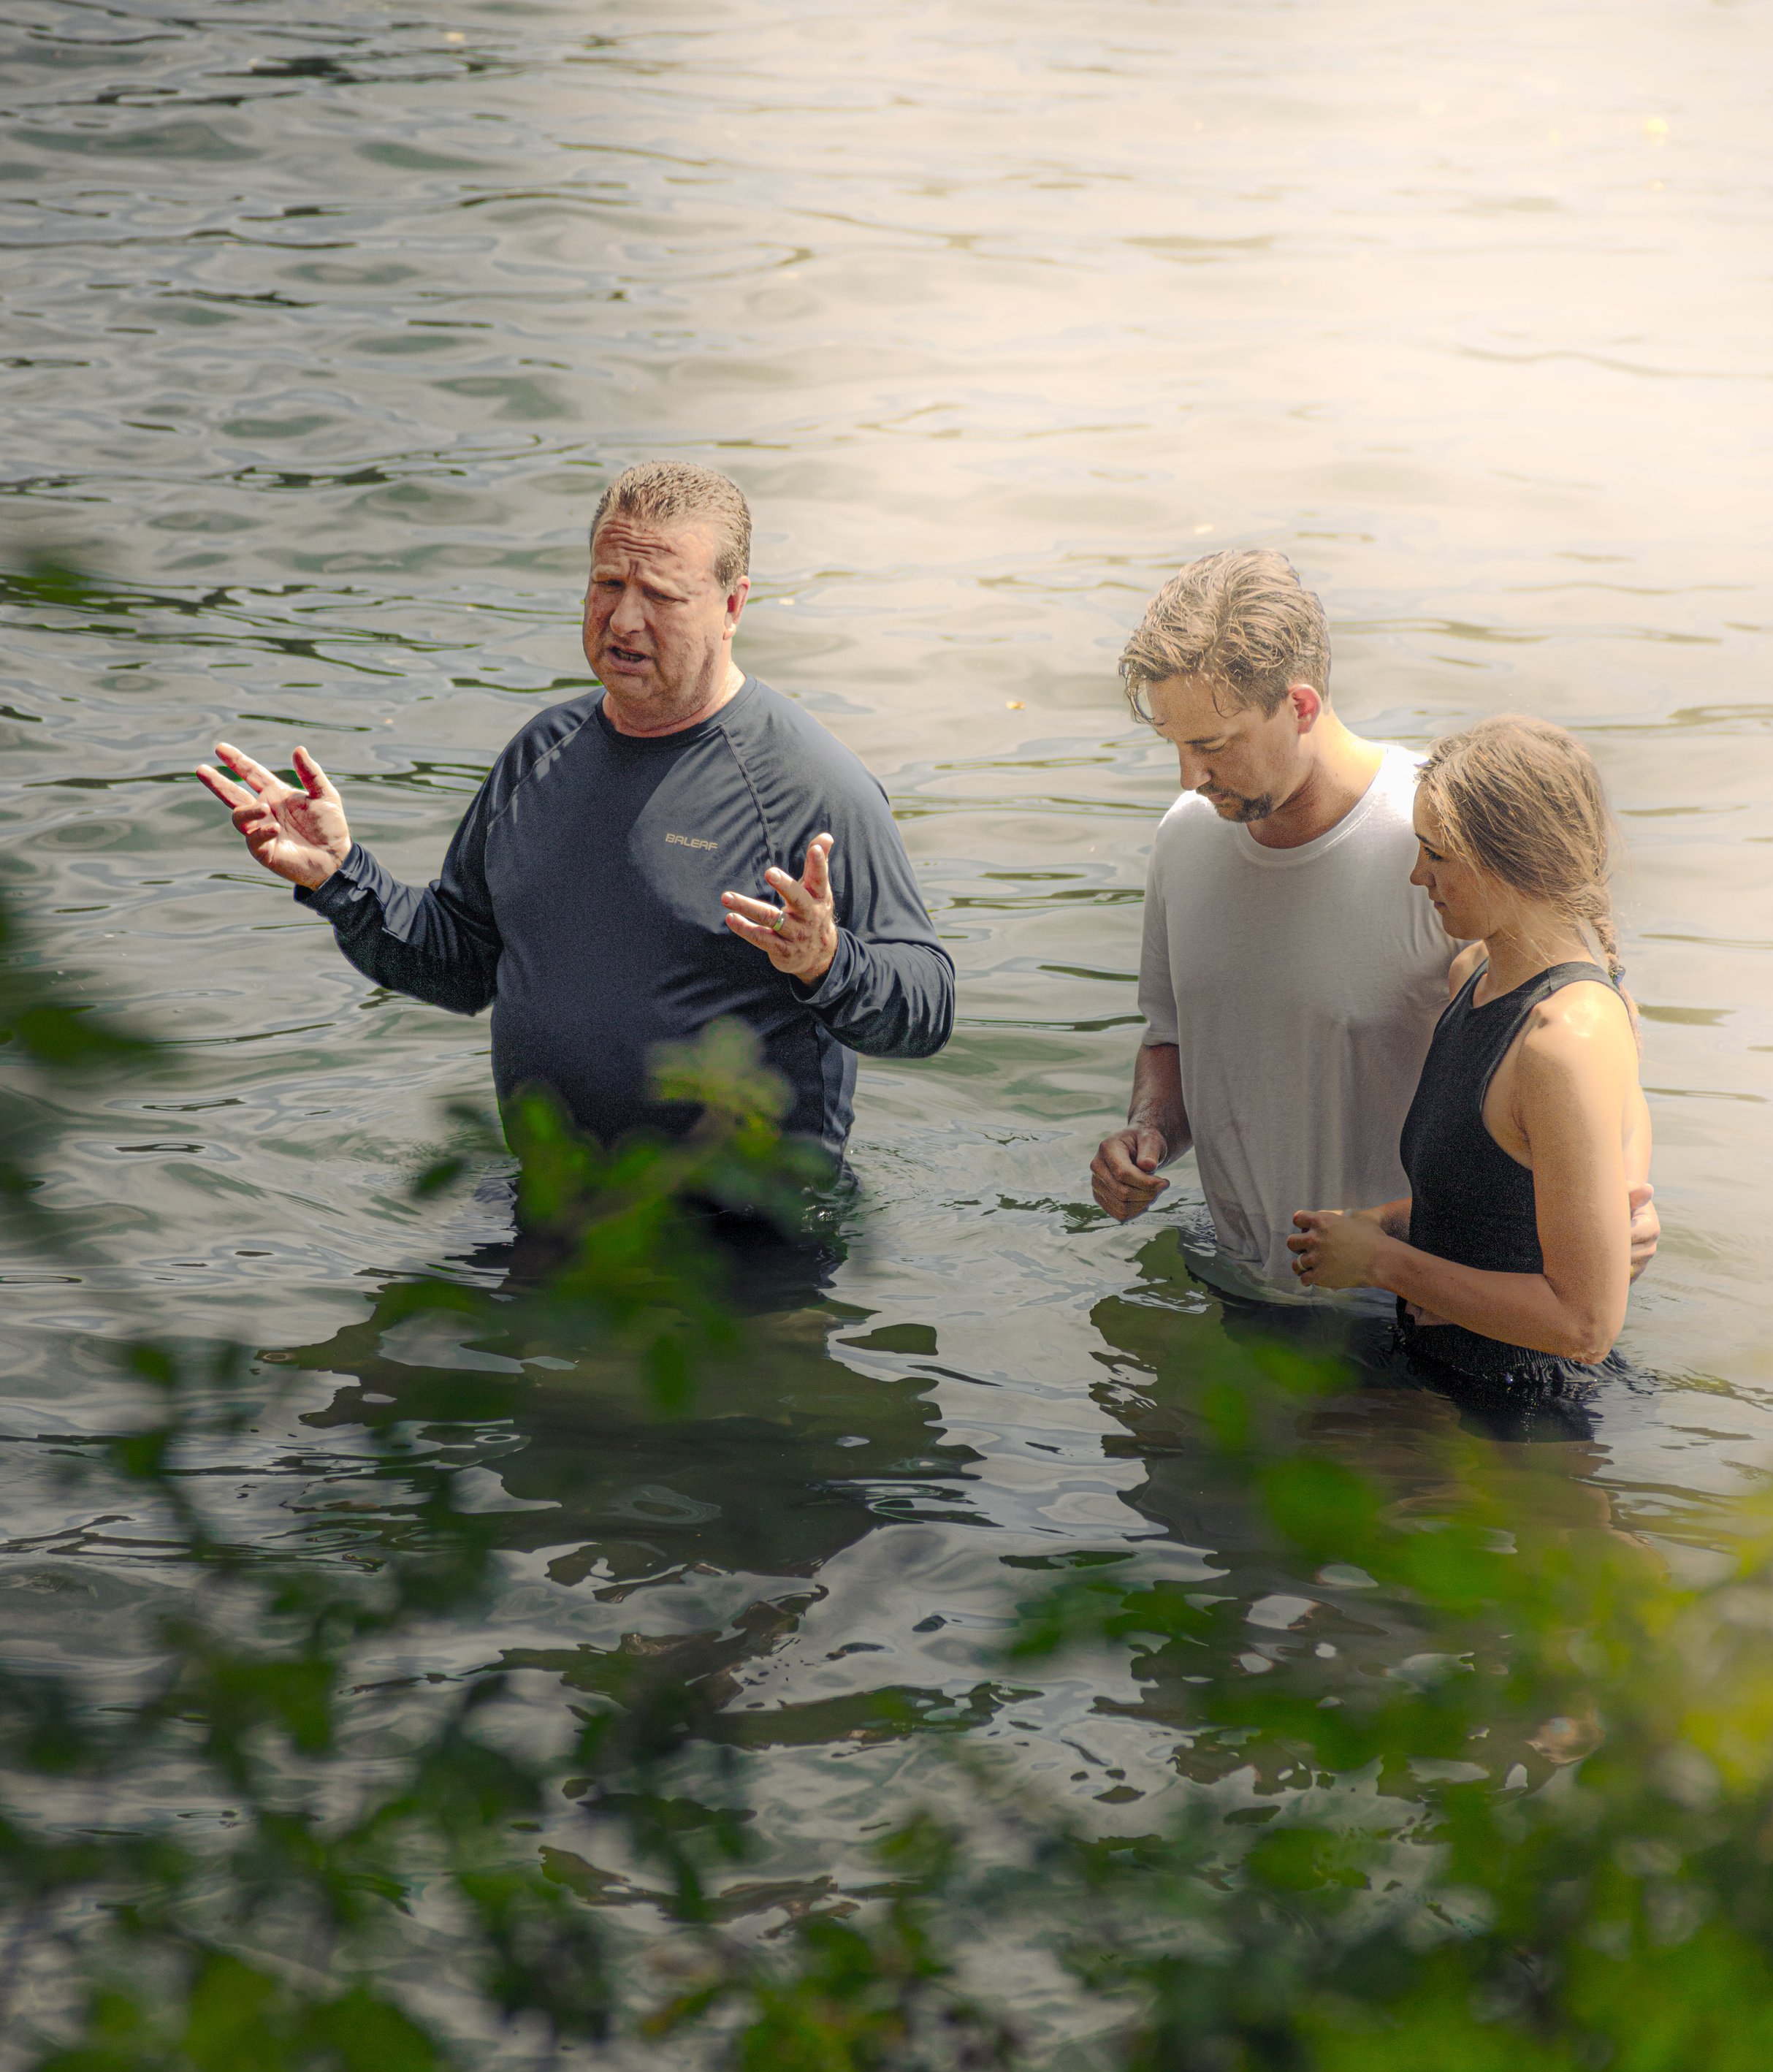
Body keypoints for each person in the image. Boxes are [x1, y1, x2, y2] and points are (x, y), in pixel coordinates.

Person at [197, 461, 953, 1168]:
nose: (624, 619)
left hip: (744, 1242)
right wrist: (341, 878)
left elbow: (927, 1007)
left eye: (659, 594)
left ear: (731, 606)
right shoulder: (542, 754)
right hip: (552, 1207)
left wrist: (826, 962)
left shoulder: (807, 784)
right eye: (607, 584)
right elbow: (461, 965)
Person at [1089, 548, 1658, 1304]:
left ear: (1299, 706)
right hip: (1236, 1287)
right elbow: (1172, 1035)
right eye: (1175, 745)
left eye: (1211, 746)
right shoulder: (1181, 839)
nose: (1188, 778)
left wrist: (1626, 1189)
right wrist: (1148, 1131)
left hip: (1413, 1311)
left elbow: (1590, 1016)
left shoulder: (1442, 838)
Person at [1288, 716, 1649, 1394]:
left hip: (1527, 1414)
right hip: (1441, 1380)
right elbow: (1494, 1196)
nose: (1418, 874)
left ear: (1514, 860)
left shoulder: (1565, 1039)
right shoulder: (1474, 978)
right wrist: (1381, 1223)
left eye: (1438, 853)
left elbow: (1586, 1328)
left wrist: (1383, 1263)